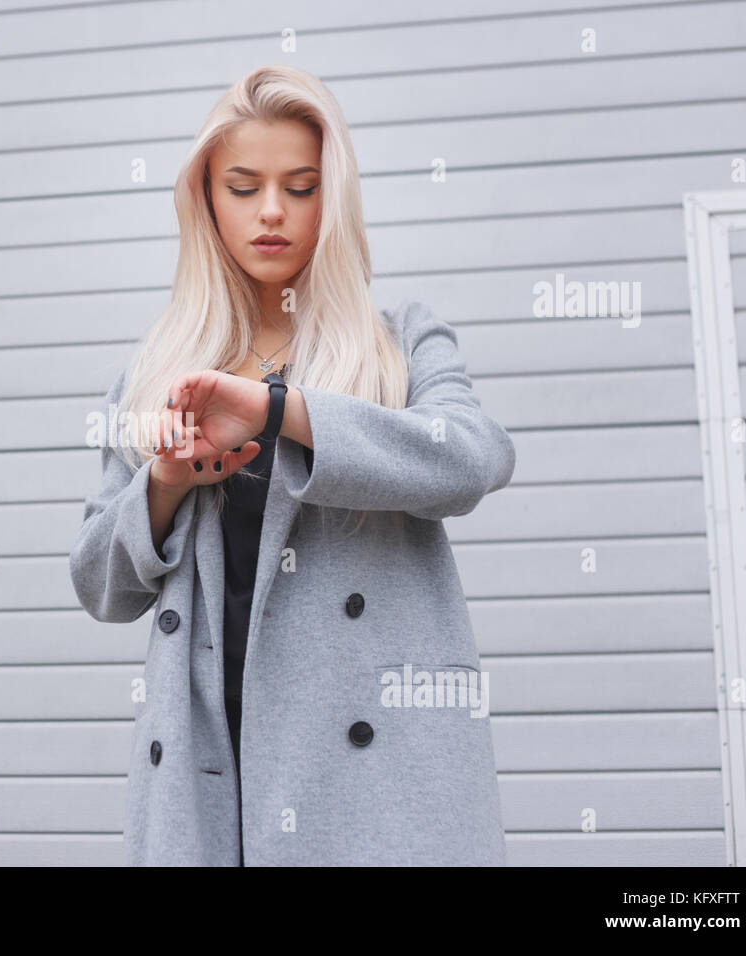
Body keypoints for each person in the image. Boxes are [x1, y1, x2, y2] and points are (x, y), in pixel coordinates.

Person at [70, 66, 516, 866]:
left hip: (369, 783)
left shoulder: (399, 343)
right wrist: (165, 481)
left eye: (300, 187)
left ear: (332, 199)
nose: (271, 211)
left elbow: (473, 459)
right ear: (206, 200)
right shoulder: (154, 372)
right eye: (243, 187)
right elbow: (99, 586)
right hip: (205, 775)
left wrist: (281, 410)